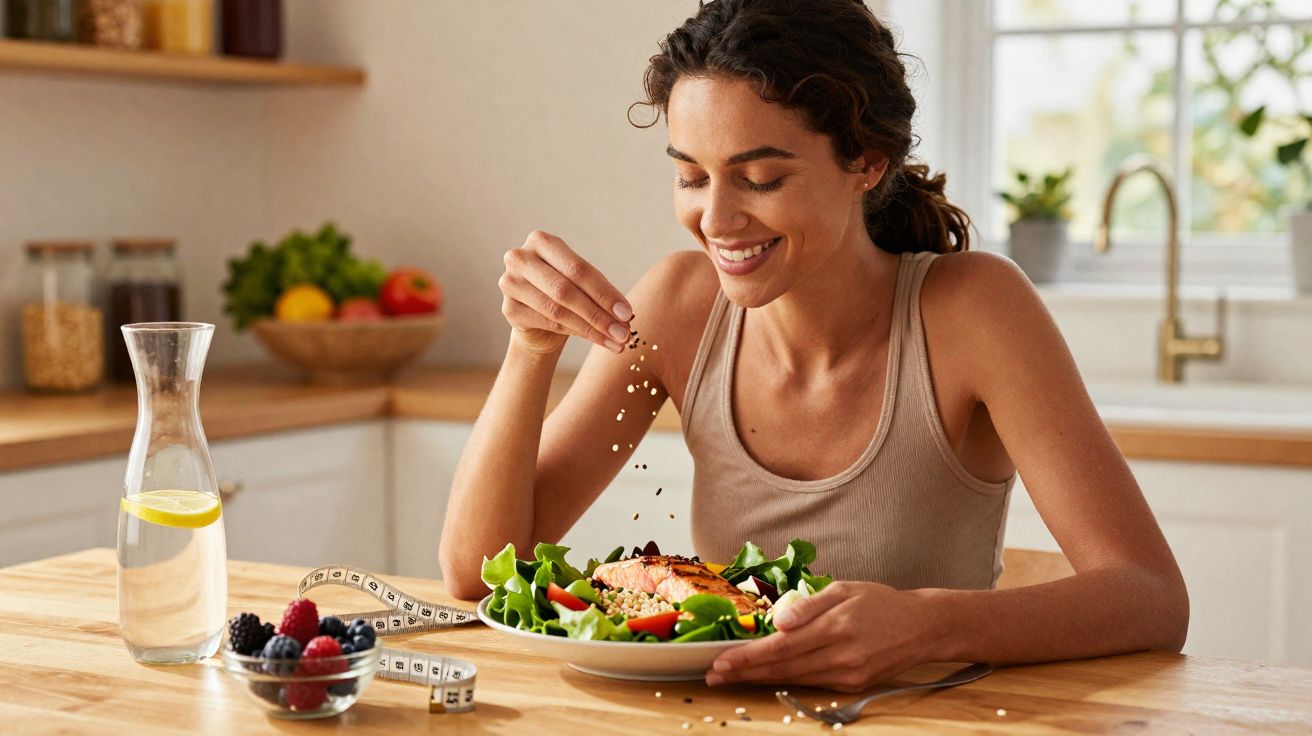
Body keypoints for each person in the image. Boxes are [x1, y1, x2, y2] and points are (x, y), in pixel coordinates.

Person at [440, 0, 1188, 691]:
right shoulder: (679, 307)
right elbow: (476, 574)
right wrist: (531, 348)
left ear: (866, 162)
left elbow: (1151, 596)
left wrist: (925, 623)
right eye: (692, 177)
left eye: (760, 178)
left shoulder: (973, 312)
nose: (717, 220)